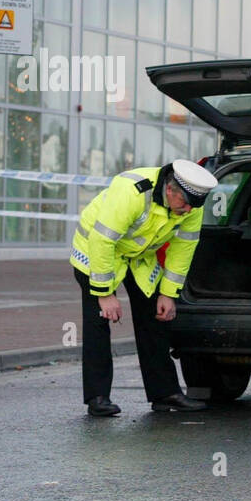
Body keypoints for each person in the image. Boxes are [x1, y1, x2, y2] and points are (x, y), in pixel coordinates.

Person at [71, 159, 217, 416]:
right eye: (184, 204)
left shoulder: (191, 205)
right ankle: (97, 397)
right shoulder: (132, 191)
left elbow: (183, 250)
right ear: (170, 190)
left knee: (156, 319)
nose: (188, 211)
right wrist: (105, 294)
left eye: (193, 206)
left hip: (138, 258)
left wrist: (168, 294)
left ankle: (165, 394)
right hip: (95, 255)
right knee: (98, 323)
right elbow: (102, 240)